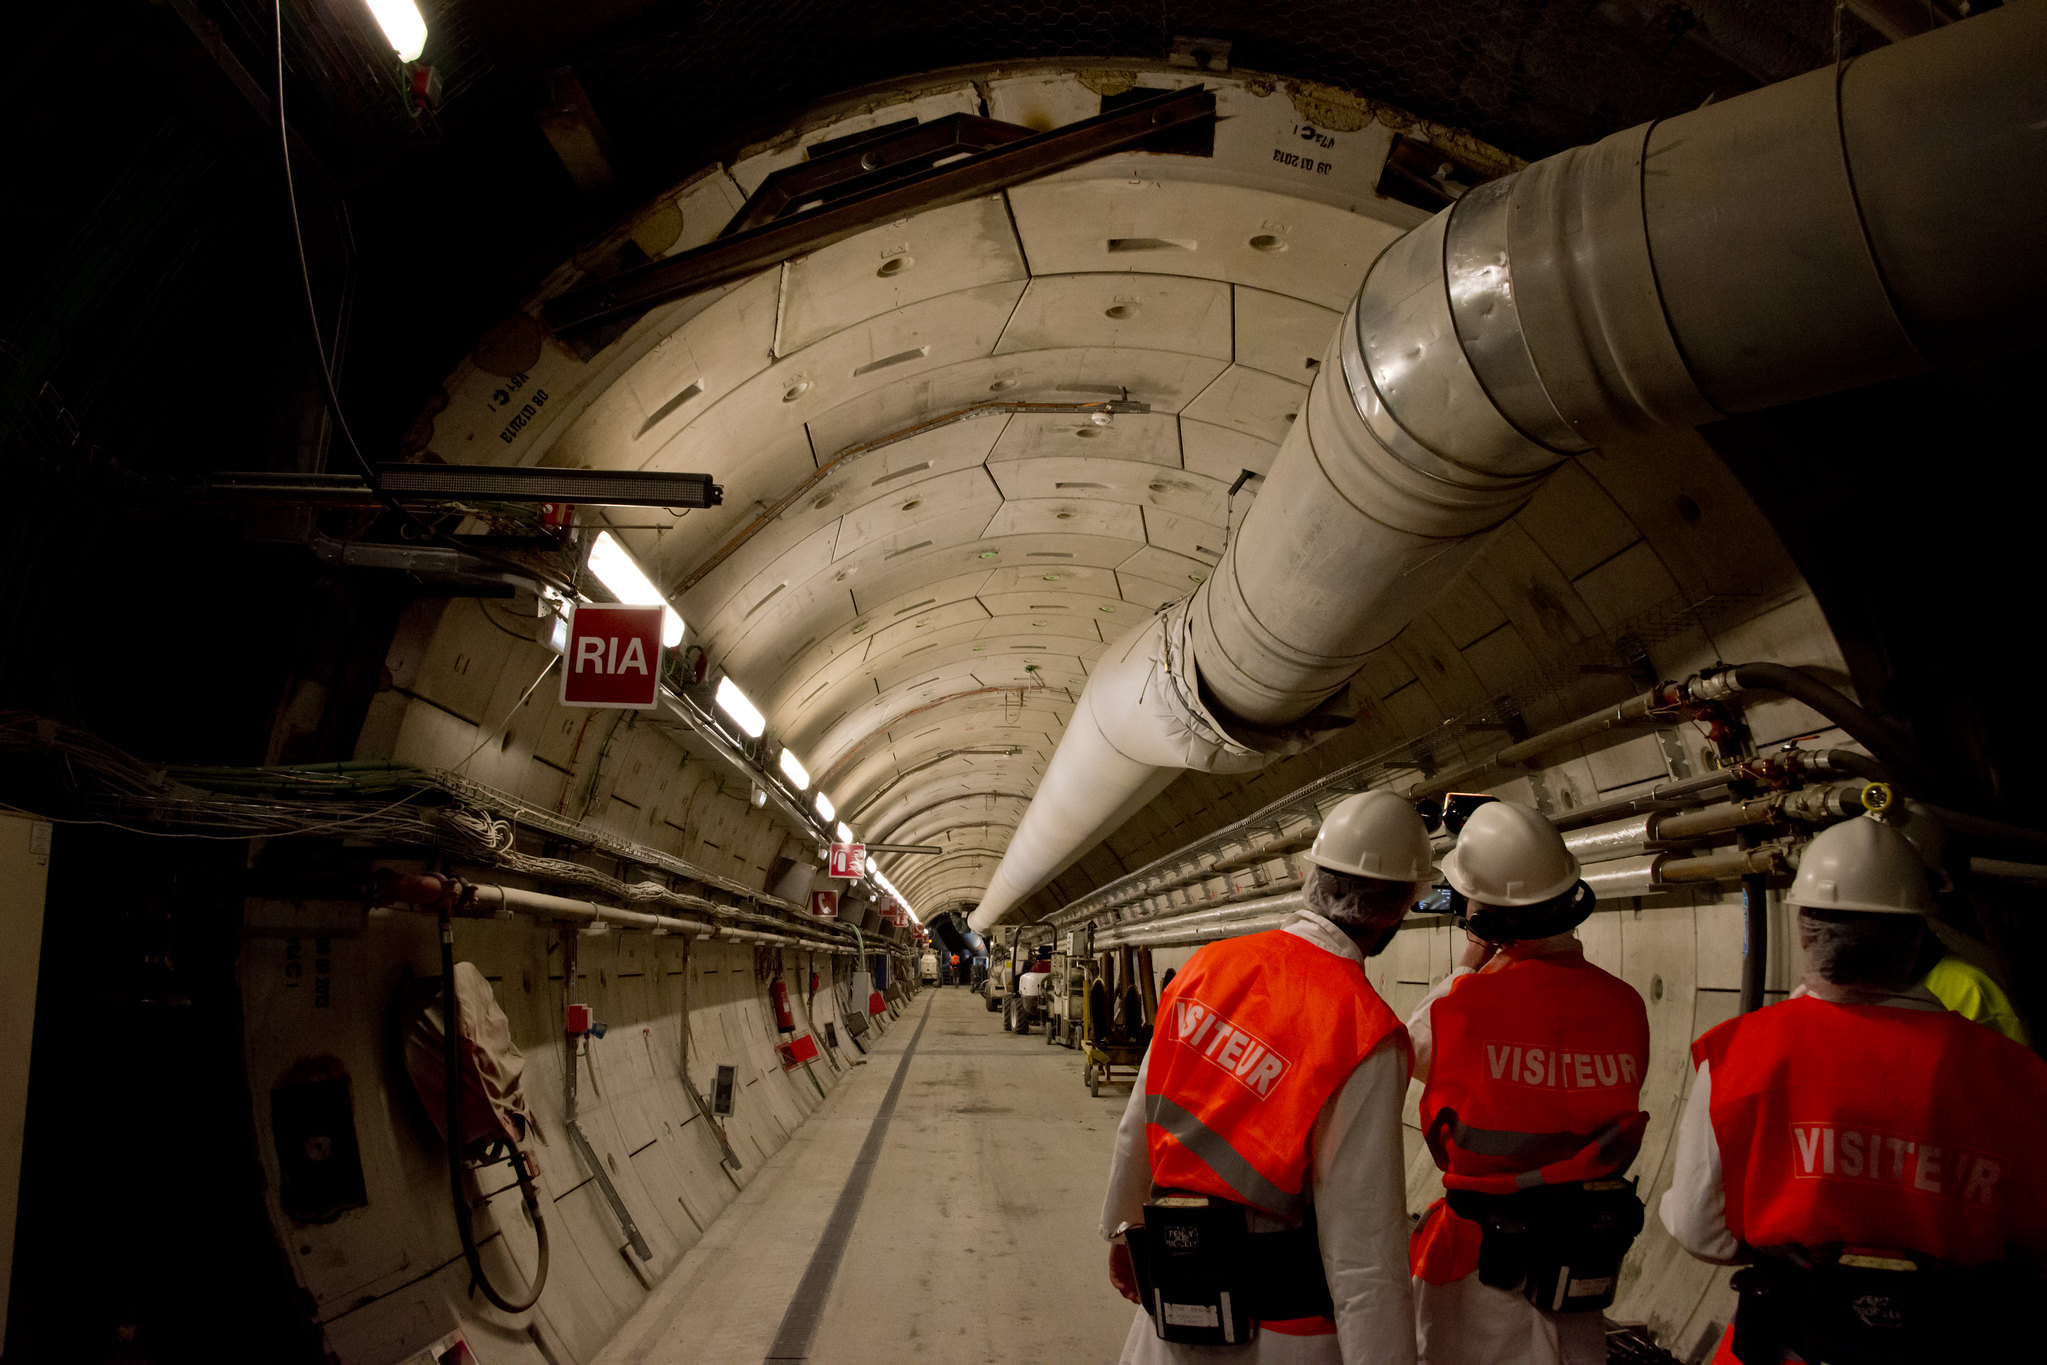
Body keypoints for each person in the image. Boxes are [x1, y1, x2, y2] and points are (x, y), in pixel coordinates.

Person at [1660, 816, 2047, 1363]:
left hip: (1787, 1346)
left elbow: (1702, 1231)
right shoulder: (2017, 1075)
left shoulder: (1738, 1055)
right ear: (1917, 932)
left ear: (1804, 928)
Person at [1099, 789, 1429, 1364]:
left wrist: (1126, 1230)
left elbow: (1140, 1123)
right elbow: (1365, 1248)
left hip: (1174, 1308)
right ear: (1400, 908)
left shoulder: (1206, 968)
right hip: (1279, 1332)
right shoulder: (1363, 1029)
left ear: (1310, 877)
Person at [1406, 800, 1649, 1365]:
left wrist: (1471, 960)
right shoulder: (1624, 1003)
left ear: (1484, 916)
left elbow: (1410, 1052)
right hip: (1579, 1261)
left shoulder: (1466, 1005)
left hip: (1481, 1270)